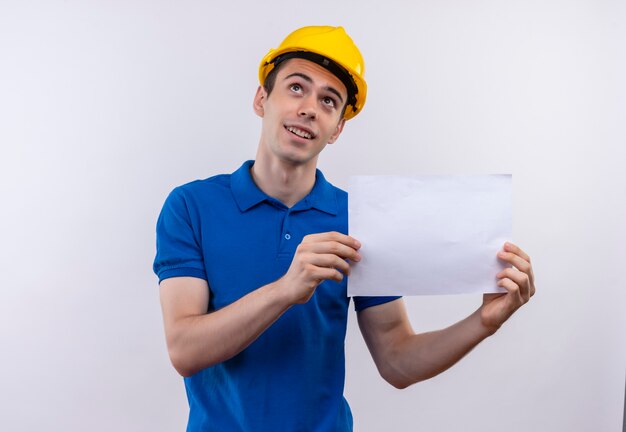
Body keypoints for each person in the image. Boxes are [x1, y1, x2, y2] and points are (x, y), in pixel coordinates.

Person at [153, 25, 536, 432]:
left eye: (329, 101)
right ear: (262, 98)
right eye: (296, 88)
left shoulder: (361, 220)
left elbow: (397, 361)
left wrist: (483, 322)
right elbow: (184, 350)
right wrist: (286, 289)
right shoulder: (191, 206)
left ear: (336, 128)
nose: (309, 108)